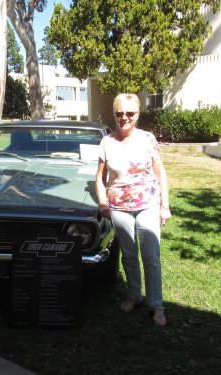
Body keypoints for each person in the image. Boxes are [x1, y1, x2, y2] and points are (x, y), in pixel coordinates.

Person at [96, 93, 171, 327]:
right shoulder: (107, 142)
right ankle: (135, 296)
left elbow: (161, 174)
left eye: (130, 113)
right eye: (119, 114)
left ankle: (156, 304)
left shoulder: (148, 139)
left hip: (148, 204)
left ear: (137, 114)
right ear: (115, 115)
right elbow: (99, 178)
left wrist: (164, 206)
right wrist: (102, 202)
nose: (124, 118)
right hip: (119, 207)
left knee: (151, 256)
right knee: (128, 255)